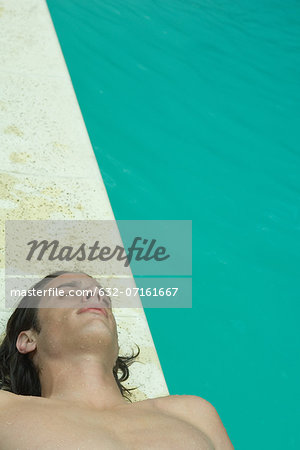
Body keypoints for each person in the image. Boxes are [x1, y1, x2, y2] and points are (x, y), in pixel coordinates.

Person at [0, 271, 233, 449]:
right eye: (68, 291)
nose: (93, 296)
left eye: (102, 297)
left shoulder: (193, 413)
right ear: (28, 340)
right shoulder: (5, 409)